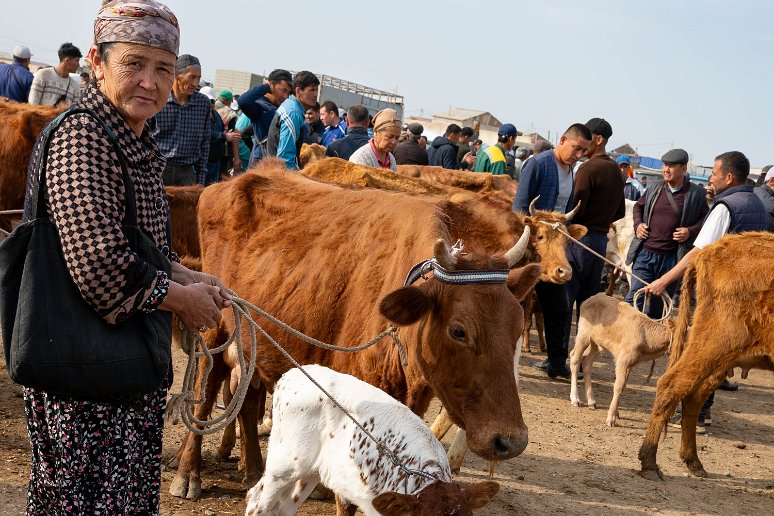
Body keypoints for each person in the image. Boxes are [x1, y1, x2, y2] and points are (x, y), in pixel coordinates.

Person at [20, 2, 231, 513]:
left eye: (163, 69)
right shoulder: (83, 138)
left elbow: (140, 247)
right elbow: (99, 264)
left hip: (117, 366)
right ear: (97, 61)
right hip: (79, 371)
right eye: (133, 64)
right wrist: (181, 299)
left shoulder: (132, 138)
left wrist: (190, 275)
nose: (149, 83)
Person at [646, 151, 769, 432]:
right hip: (753, 297)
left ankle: (696, 414)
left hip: (724, 292)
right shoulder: (758, 204)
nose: (710, 178)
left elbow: (697, 253)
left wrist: (664, 281)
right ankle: (704, 412)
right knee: (724, 352)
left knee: (706, 351)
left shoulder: (726, 207)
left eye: (714, 173)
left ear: (728, 177)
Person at [515, 123, 592, 379]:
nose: (578, 154)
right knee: (517, 302)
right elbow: (521, 208)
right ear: (562, 140)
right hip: (532, 245)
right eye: (576, 148)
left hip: (554, 249)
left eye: (583, 151)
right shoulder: (537, 164)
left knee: (559, 306)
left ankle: (557, 362)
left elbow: (566, 212)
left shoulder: (571, 170)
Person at [562, 118, 625, 359]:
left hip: (579, 240)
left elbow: (576, 208)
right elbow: (619, 212)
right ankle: (581, 355)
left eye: (589, 139)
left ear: (598, 140)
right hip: (599, 243)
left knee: (566, 301)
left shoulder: (587, 169)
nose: (583, 145)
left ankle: (560, 358)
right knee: (587, 305)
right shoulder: (617, 171)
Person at [624, 148, 710, 318]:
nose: (666, 169)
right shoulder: (654, 187)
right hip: (645, 254)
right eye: (664, 165)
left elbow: (706, 222)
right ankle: (627, 340)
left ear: (684, 169)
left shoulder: (697, 194)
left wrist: (689, 231)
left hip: (672, 260)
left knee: (659, 307)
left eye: (671, 166)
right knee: (634, 298)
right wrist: (638, 224)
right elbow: (638, 208)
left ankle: (651, 342)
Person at [150, 54, 210, 185]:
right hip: (158, 171)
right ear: (176, 75)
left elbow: (205, 144)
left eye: (198, 78)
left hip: (187, 174)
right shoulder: (158, 99)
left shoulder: (203, 104)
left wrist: (200, 179)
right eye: (192, 77)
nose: (195, 83)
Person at [266, 70, 320, 170]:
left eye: (316, 90)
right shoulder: (293, 112)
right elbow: (285, 158)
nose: (315, 94)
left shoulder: (293, 107)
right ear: (298, 91)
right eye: (311, 90)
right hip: (281, 176)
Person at [239, 69, 293, 164]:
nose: (285, 96)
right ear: (271, 85)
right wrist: (266, 87)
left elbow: (246, 132)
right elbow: (243, 101)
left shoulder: (280, 108)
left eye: (288, 93)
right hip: (261, 164)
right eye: (283, 90)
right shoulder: (260, 106)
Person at [200, 86, 240, 185]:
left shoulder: (216, 115)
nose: (210, 103)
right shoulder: (197, 115)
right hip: (202, 163)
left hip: (216, 162)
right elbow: (203, 132)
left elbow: (224, 131)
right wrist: (224, 136)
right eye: (207, 100)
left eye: (212, 101)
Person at [215, 89, 241, 176]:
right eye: (230, 101)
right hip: (223, 152)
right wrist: (236, 158)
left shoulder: (210, 107)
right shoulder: (230, 113)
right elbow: (234, 137)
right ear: (226, 100)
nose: (230, 104)